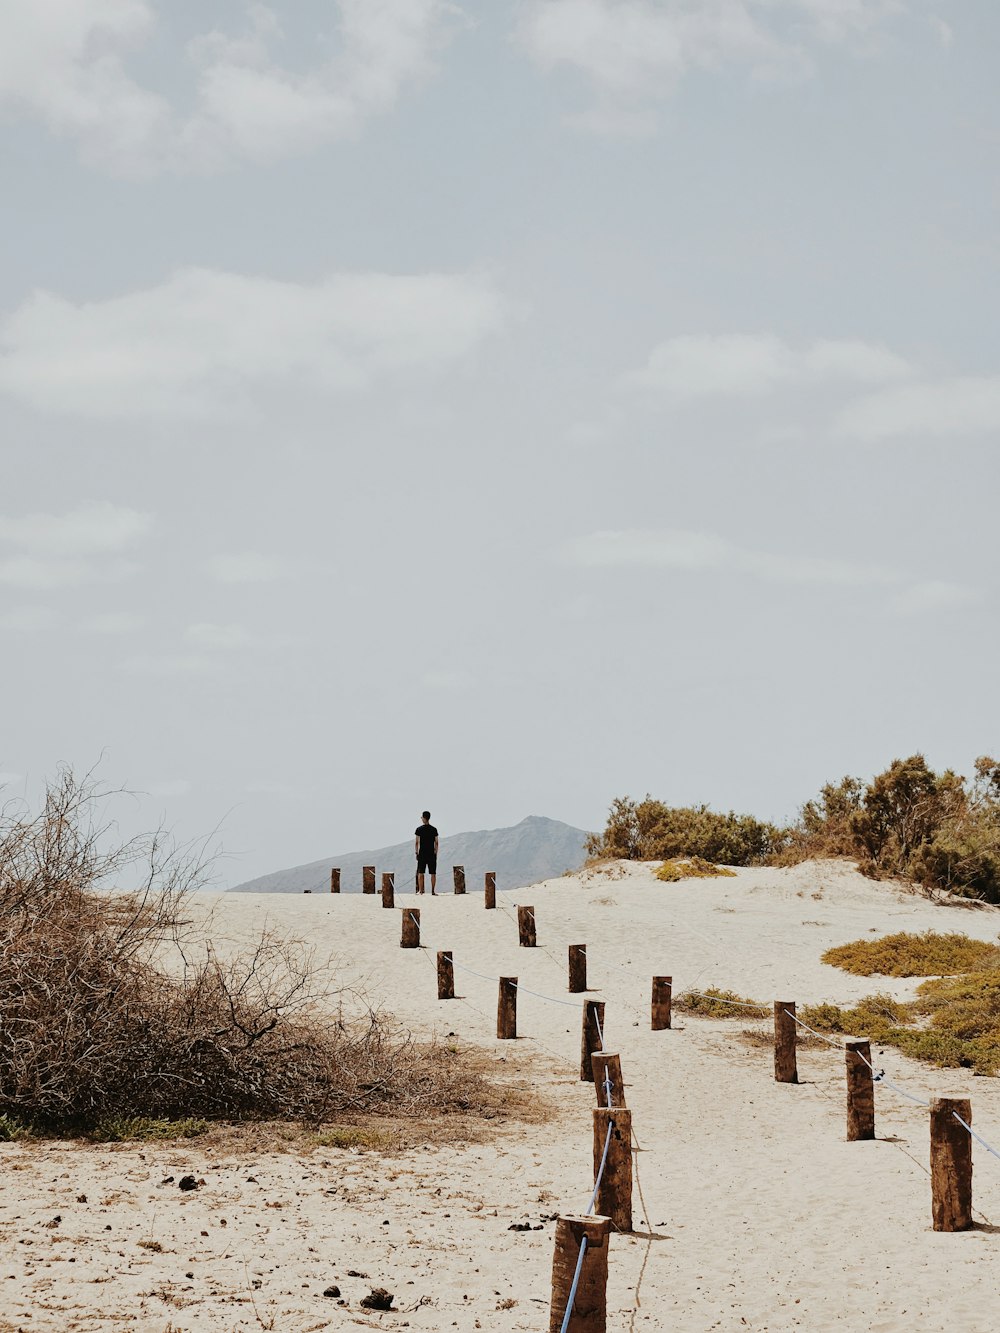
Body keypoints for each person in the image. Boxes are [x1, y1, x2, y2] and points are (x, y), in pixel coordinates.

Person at [414, 811, 439, 895]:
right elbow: (436, 842)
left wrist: (416, 852)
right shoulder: (434, 829)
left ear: (424, 818)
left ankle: (421, 891)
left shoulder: (419, 829)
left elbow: (417, 842)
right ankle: (433, 891)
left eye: (421, 817)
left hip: (422, 853)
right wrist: (436, 851)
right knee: (433, 873)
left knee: (421, 872)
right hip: (431, 853)